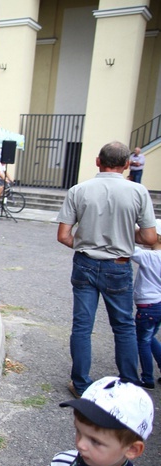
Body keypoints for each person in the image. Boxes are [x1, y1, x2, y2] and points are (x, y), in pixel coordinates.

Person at [57, 141, 157, 398]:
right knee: (123, 326)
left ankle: (80, 384)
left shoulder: (79, 190)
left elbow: (64, 236)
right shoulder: (138, 191)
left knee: (82, 326)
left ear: (97, 161)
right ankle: (129, 385)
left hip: (85, 262)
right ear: (126, 165)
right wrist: (122, 233)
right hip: (119, 265)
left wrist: (88, 239)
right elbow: (149, 237)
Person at [33, 377, 161, 466]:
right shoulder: (61, 464)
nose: (80, 445)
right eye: (78, 431)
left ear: (132, 449)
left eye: (95, 441)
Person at [131, 219, 161, 389]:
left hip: (148, 306)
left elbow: (129, 249)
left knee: (142, 340)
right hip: (159, 305)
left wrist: (127, 226)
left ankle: (147, 377)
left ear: (155, 236)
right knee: (150, 338)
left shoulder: (150, 257)